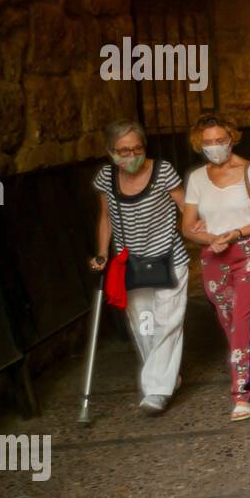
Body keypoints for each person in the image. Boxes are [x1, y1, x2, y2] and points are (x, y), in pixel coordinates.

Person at [179, 115, 250, 422]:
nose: (215, 147)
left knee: (241, 317)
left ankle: (241, 393)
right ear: (200, 144)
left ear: (232, 138)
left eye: (220, 140)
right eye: (208, 142)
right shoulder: (197, 178)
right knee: (228, 321)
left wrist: (236, 233)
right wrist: (211, 238)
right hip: (213, 257)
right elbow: (187, 227)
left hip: (248, 252)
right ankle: (248, 363)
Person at [89, 120, 190, 415]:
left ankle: (157, 391)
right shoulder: (106, 178)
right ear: (110, 152)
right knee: (143, 326)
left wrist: (204, 234)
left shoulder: (163, 171)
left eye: (136, 148)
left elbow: (185, 207)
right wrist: (101, 253)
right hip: (129, 264)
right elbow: (105, 217)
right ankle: (167, 378)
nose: (130, 155)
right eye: (123, 150)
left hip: (170, 258)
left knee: (168, 322)